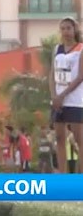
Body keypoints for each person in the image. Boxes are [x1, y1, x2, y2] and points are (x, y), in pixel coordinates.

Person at [49, 17, 83, 174]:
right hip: (58, 101)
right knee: (60, 138)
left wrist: (63, 95)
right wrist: (54, 96)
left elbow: (80, 76)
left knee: (79, 139)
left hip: (75, 100)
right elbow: (52, 74)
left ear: (74, 29)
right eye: (63, 29)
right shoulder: (57, 49)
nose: (66, 32)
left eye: (68, 28)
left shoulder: (80, 49)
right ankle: (62, 176)